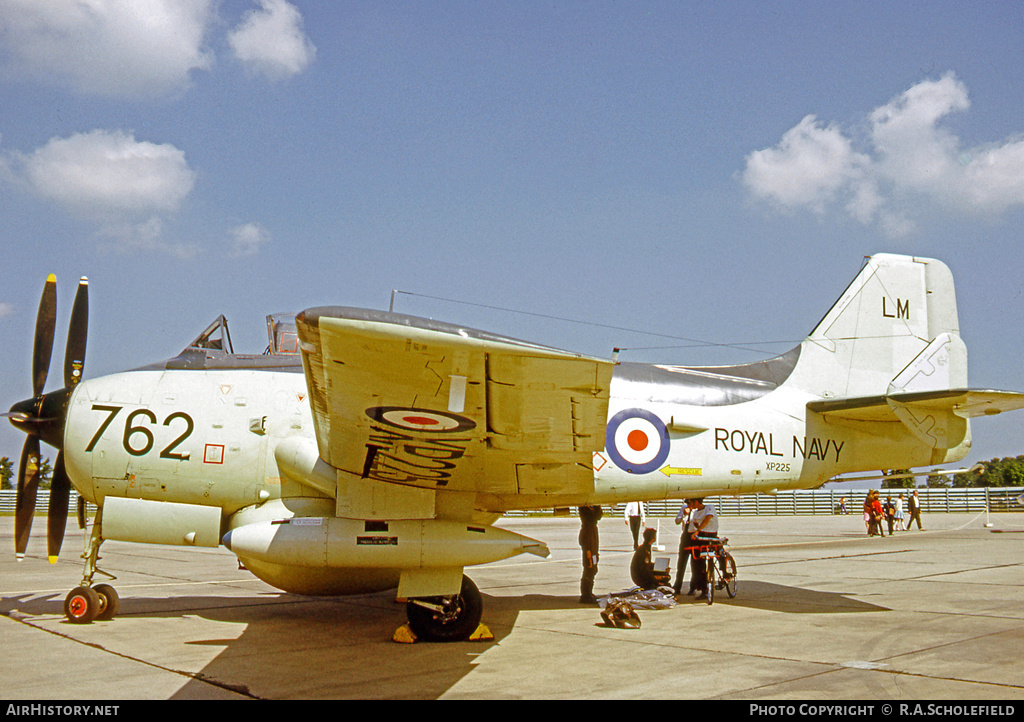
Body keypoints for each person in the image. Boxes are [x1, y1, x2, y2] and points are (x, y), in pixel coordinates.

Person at [686, 498, 718, 598]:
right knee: (698, 563)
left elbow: (707, 519)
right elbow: (695, 523)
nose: (690, 505)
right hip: (701, 537)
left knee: (720, 553)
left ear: (696, 501)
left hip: (711, 536)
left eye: (691, 502)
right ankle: (703, 588)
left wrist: (698, 530)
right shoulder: (695, 513)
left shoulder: (709, 507)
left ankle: (726, 573)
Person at [577, 505, 602, 604]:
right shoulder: (588, 526)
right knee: (589, 570)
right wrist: (589, 556)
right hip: (589, 552)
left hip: (593, 551)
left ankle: (588, 593)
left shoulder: (591, 526)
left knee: (593, 570)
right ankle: (585, 595)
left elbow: (599, 515)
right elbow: (586, 544)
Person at [672, 499, 693, 595]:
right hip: (685, 536)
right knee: (681, 563)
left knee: (695, 564)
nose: (688, 505)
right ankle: (677, 586)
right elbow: (677, 521)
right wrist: (683, 514)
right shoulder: (684, 508)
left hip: (694, 536)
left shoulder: (698, 510)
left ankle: (693, 587)